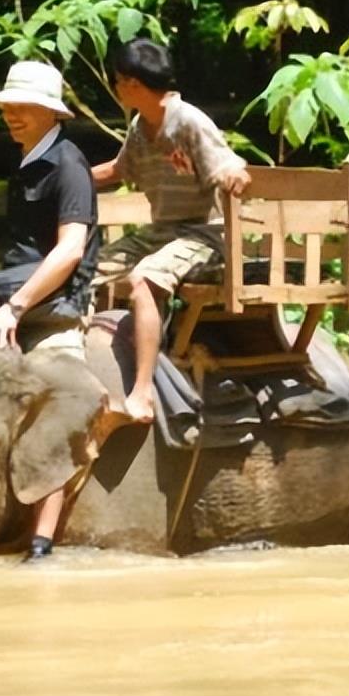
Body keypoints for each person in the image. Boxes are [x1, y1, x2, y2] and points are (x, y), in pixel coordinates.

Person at [0, 59, 103, 560]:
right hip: (10, 301)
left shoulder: (69, 166)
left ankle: (42, 542)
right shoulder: (28, 157)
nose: (13, 115)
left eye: (25, 107)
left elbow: (70, 249)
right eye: (9, 106)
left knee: (59, 404)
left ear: (53, 114)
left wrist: (17, 307)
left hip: (54, 309)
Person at [91, 39, 251, 422]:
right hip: (163, 231)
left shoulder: (189, 121)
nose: (116, 88)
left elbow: (229, 163)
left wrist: (235, 174)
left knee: (144, 279)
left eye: (118, 81)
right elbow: (118, 170)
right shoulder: (139, 127)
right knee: (89, 269)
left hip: (204, 235)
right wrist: (66, 177)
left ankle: (142, 392)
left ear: (131, 83)